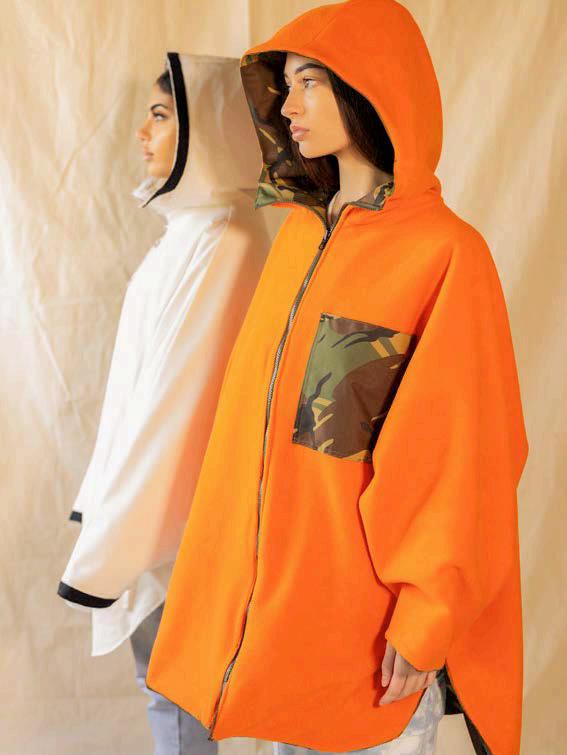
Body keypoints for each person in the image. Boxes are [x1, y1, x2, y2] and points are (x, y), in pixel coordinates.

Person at [146, 3, 529, 755]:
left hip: (371, 643)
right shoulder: (296, 236)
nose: (286, 107)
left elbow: (467, 461)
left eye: (310, 83)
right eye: (285, 85)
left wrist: (426, 619)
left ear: (371, 88)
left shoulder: (445, 255)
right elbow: (251, 441)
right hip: (282, 634)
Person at [56, 52, 270, 754]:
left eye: (160, 115)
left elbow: (182, 406)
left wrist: (119, 535)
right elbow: (137, 391)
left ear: (209, 126)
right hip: (152, 510)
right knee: (167, 693)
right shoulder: (190, 234)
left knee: (176, 694)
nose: (142, 134)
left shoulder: (226, 241)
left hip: (175, 522)